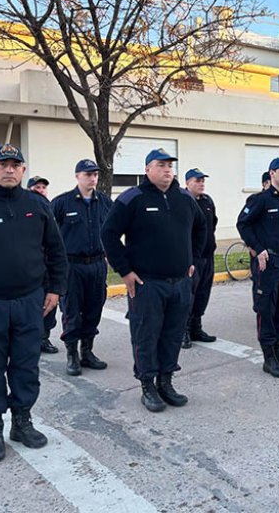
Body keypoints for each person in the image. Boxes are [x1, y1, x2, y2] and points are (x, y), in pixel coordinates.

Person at [0, 144, 67, 463]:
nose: (10, 169)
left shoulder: (37, 205)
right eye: (3, 164)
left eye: (16, 164)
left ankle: (22, 422)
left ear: (23, 170)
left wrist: (55, 288)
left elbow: (55, 250)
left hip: (31, 301)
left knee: (26, 365)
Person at [101, 148, 207, 412]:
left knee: (172, 335)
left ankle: (166, 381)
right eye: (161, 165)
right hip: (147, 283)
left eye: (170, 165)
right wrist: (125, 271)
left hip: (180, 282)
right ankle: (147, 385)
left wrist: (192, 259)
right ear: (148, 169)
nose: (167, 170)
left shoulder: (184, 197)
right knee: (146, 335)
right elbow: (108, 234)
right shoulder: (132, 198)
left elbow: (201, 226)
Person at [236, 158, 279, 378]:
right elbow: (243, 224)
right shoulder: (260, 200)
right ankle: (269, 357)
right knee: (266, 308)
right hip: (269, 262)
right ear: (272, 173)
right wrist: (258, 247)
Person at [50, 159, 113, 376]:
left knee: (94, 309)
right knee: (71, 312)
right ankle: (72, 355)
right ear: (77, 176)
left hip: (97, 265)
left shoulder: (105, 202)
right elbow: (48, 235)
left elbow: (113, 232)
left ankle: (87, 352)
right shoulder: (62, 203)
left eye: (95, 174)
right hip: (72, 266)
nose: (92, 178)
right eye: (87, 174)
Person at [181, 168, 218, 349]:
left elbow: (213, 224)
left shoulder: (207, 201)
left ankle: (197, 327)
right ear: (188, 182)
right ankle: (184, 331)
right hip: (191, 259)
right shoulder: (182, 201)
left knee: (203, 294)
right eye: (197, 180)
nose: (201, 183)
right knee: (189, 295)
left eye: (203, 180)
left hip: (208, 256)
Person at [27, 176, 60, 354]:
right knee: (32, 306)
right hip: (33, 268)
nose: (40, 190)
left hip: (49, 267)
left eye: (43, 187)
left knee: (49, 305)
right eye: (36, 187)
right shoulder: (25, 209)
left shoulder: (50, 208)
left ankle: (44, 337)